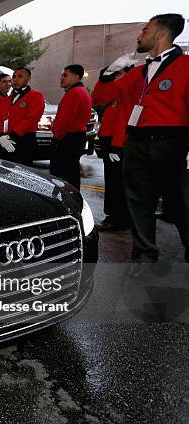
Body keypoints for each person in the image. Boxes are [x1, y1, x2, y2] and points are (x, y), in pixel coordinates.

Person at [93, 13, 189, 272]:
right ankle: (144, 256)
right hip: (135, 142)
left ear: (160, 34)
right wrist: (108, 73)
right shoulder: (139, 72)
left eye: (145, 30)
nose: (139, 35)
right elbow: (100, 98)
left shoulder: (187, 66)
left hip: (171, 142)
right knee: (138, 202)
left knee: (181, 204)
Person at [93, 67, 133, 232]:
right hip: (110, 142)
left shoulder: (129, 93)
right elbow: (97, 98)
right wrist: (104, 77)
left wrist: (117, 146)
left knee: (117, 182)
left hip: (119, 143)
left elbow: (125, 121)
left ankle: (118, 218)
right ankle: (115, 216)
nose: (115, 78)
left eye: (119, 74)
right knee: (112, 180)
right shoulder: (116, 92)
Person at [50, 64, 93, 189]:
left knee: (62, 176)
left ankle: (66, 203)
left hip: (67, 139)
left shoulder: (74, 93)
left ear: (76, 76)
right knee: (71, 174)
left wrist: (56, 134)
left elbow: (65, 120)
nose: (61, 78)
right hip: (76, 137)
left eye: (65, 75)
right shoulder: (81, 92)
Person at [0, 67, 45, 166]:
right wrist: (1, 135)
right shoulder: (7, 99)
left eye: (20, 76)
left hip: (24, 141)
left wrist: (10, 137)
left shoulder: (36, 96)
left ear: (28, 78)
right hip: (5, 141)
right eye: (14, 76)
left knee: (23, 175)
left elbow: (31, 119)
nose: (15, 79)